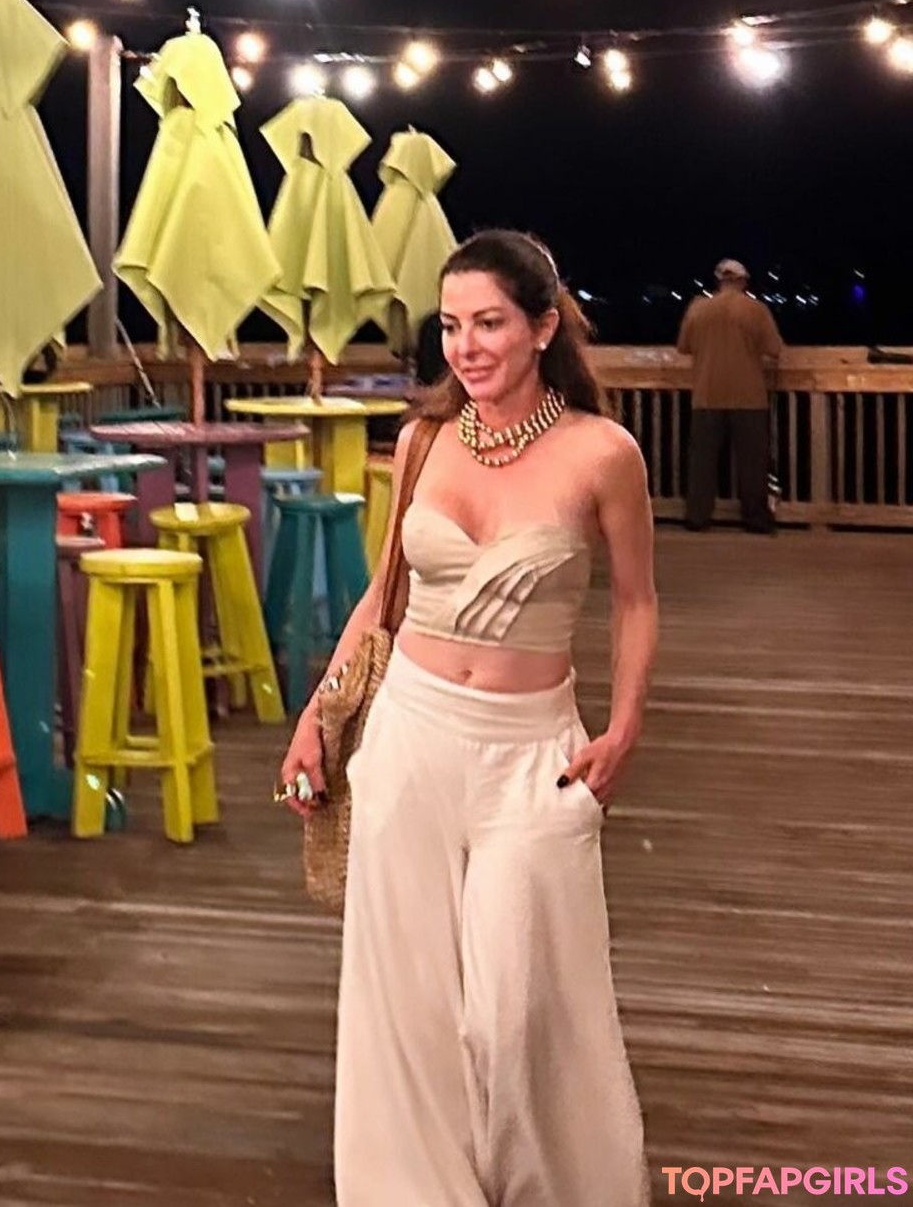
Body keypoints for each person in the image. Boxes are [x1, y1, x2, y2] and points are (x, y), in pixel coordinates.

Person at [279, 229, 658, 1206]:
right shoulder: (423, 440)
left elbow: (636, 602)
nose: (466, 346)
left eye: (489, 323)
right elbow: (384, 595)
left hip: (532, 753)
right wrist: (317, 716)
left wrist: (622, 728)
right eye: (451, 326)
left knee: (514, 1011)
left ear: (543, 327)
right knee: (403, 997)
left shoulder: (603, 452)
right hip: (410, 735)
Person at [677, 258, 784, 533]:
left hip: (706, 393)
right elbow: (774, 348)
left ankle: (697, 516)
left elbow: (684, 346)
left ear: (719, 280)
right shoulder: (755, 310)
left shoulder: (698, 308)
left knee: (702, 462)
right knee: (752, 462)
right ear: (743, 281)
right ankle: (755, 518)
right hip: (749, 395)